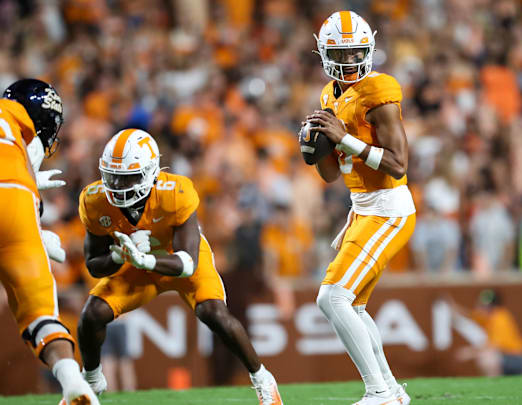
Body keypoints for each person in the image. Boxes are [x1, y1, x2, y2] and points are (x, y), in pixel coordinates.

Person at [75, 129, 283, 405]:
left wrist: (146, 260)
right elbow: (94, 265)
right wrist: (120, 256)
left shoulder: (177, 192)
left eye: (128, 177)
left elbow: (188, 263)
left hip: (177, 260)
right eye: (113, 176)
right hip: (135, 265)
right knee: (92, 315)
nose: (118, 184)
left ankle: (263, 379)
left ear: (151, 172)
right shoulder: (94, 199)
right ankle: (90, 382)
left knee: (214, 313)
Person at [304, 10, 415, 405]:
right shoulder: (327, 95)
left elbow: (399, 164)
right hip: (363, 207)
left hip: (388, 207)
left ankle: (379, 392)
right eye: (341, 53)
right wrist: (317, 148)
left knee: (331, 297)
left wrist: (344, 139)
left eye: (356, 53)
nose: (349, 62)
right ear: (323, 53)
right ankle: (393, 392)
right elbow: (333, 176)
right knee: (353, 304)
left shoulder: (378, 90)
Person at [0, 79, 100, 404]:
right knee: (41, 317)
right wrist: (36, 232)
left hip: (19, 194)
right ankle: (73, 381)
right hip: (20, 202)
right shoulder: (19, 131)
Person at [449, 290, 522, 377]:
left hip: (516, 358)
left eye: (483, 306)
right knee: (487, 355)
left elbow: (493, 346)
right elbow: (469, 315)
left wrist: (469, 352)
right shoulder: (487, 317)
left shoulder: (500, 318)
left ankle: (494, 385)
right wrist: (453, 306)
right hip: (505, 356)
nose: (480, 308)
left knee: (487, 357)